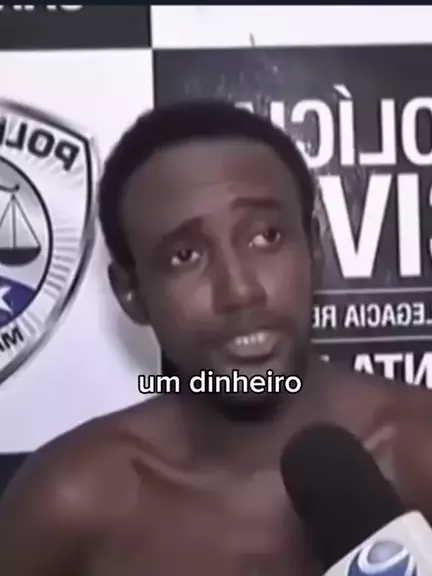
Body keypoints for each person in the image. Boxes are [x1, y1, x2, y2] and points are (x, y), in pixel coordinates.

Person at [0, 100, 431, 576]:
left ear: (313, 247)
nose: (239, 291)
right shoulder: (71, 501)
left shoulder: (420, 448)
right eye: (184, 255)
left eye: (266, 236)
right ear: (132, 293)